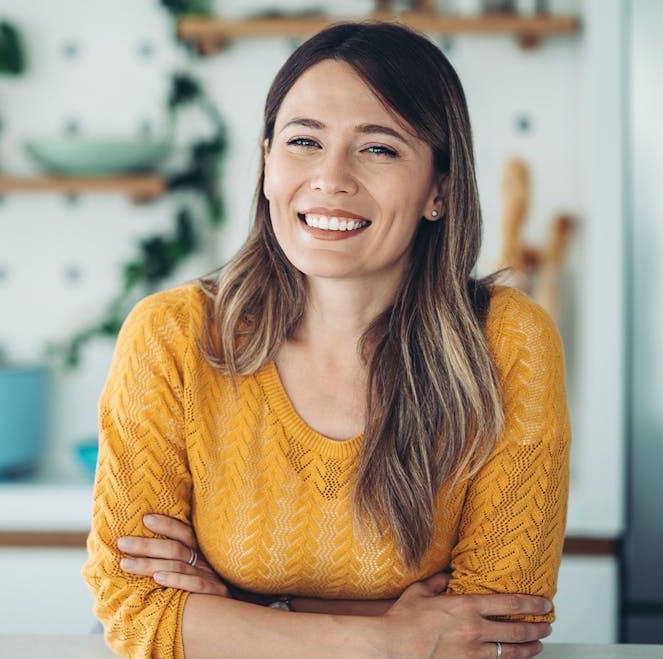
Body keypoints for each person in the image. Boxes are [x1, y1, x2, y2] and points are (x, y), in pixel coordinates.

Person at [82, 20, 570, 659]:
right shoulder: (171, 337)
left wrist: (246, 614)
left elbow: (496, 628)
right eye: (304, 141)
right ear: (267, 164)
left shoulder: (507, 341)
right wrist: (386, 638)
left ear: (440, 189)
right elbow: (133, 611)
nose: (331, 178)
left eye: (379, 149)